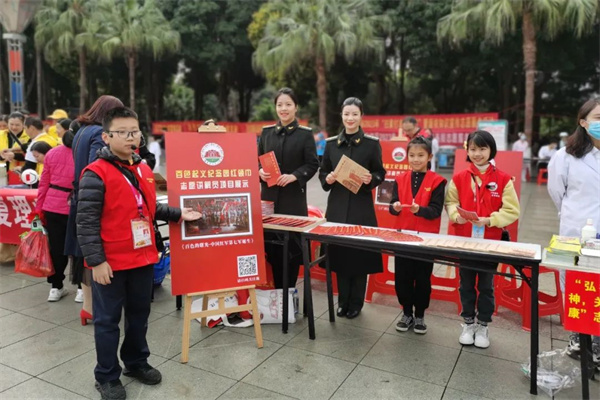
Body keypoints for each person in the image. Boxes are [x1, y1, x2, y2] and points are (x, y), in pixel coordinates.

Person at [76, 107, 200, 399]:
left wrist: (179, 214)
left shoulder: (143, 169)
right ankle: (107, 375)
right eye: (123, 132)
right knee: (107, 321)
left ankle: (135, 362)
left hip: (143, 258)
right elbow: (86, 223)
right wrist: (97, 261)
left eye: (135, 132)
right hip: (111, 263)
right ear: (106, 137)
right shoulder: (95, 173)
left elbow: (149, 206)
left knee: (139, 314)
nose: (131, 138)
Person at [445, 130, 520, 348]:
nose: (477, 154)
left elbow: (512, 210)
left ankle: (483, 325)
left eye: (482, 149)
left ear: (491, 150)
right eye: (473, 149)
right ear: (467, 151)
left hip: (490, 242)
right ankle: (468, 323)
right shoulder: (459, 178)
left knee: (486, 286)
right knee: (466, 284)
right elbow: (450, 202)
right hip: (465, 241)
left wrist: (490, 220)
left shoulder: (504, 179)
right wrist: (456, 215)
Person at [319, 97, 386, 319]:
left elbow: (380, 172)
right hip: (337, 207)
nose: (350, 118)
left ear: (361, 116)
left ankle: (356, 303)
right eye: (346, 114)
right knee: (340, 254)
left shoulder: (371, 144)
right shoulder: (331, 144)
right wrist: (328, 178)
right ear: (341, 115)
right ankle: (343, 301)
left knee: (359, 255)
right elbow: (323, 172)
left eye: (355, 114)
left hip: (361, 208)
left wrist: (371, 179)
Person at [547, 98, 600, 367]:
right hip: (575, 230)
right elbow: (557, 192)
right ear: (583, 122)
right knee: (575, 285)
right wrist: (571, 215)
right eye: (598, 117)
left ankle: (597, 343)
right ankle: (579, 338)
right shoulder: (565, 155)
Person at [65, 95, 125, 325]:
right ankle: (97, 307)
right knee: (96, 253)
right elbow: (97, 166)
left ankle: (88, 307)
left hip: (79, 198)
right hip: (94, 199)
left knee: (84, 253)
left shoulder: (82, 130)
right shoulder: (100, 133)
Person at [258, 87, 319, 288]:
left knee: (291, 250)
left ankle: (289, 293)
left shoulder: (304, 135)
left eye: (288, 104)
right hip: (269, 200)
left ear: (296, 107)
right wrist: (259, 172)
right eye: (280, 105)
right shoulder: (267, 133)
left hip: (293, 201)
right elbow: (257, 160)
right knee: (271, 249)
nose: (283, 109)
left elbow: (312, 164)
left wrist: (294, 176)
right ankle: (276, 294)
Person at [389, 136, 446, 334]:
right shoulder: (400, 179)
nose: (415, 159)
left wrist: (419, 210)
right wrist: (395, 207)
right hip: (403, 237)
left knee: (422, 278)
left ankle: (420, 315)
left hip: (426, 239)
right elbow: (392, 206)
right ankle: (406, 313)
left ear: (429, 157)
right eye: (412, 155)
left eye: (421, 155)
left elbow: (436, 211)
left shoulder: (437, 181)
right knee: (402, 278)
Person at [34, 129, 75, 302]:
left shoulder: (52, 153)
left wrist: (39, 208)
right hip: (76, 206)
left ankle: (56, 287)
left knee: (56, 249)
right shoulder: (86, 153)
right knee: (79, 249)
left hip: (52, 206)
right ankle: (82, 289)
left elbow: (43, 182)